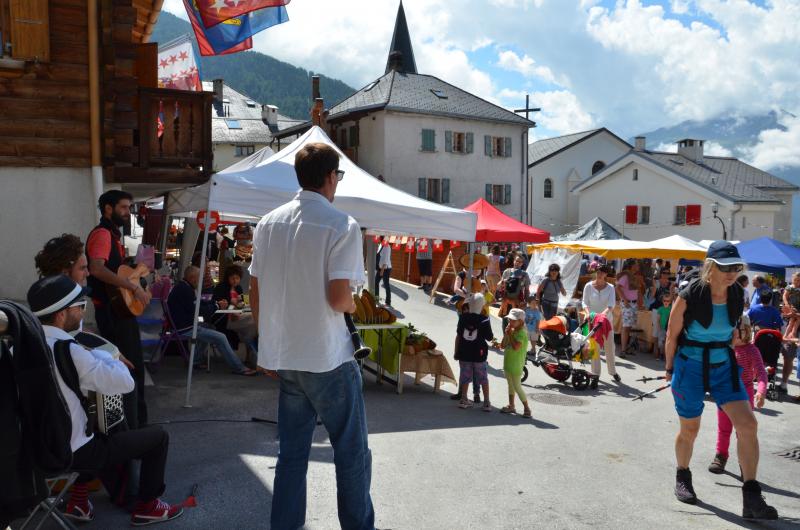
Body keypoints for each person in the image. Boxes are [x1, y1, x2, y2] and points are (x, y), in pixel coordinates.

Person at [249, 142, 374, 529]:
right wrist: (356, 306)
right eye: (338, 175)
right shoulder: (341, 224)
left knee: (291, 456)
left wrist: (267, 344)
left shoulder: (268, 223)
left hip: (285, 355)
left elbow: (256, 290)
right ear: (330, 177)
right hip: (327, 356)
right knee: (351, 453)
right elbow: (339, 298)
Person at [27, 275, 183, 525]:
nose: (82, 313)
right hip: (71, 453)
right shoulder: (73, 353)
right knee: (156, 437)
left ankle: (78, 501)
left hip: (33, 451)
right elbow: (126, 383)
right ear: (61, 315)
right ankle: (147, 506)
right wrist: (111, 356)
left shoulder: (18, 349)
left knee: (93, 426)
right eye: (80, 307)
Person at [664, 241, 777, 519]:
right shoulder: (690, 294)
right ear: (710, 267)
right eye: (725, 267)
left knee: (748, 424)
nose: (731, 273)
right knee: (690, 429)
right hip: (690, 365)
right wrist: (670, 368)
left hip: (724, 365)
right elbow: (671, 335)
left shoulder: (737, 293)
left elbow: (734, 331)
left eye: (736, 267)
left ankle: (751, 497)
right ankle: (683, 475)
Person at [86, 190, 150, 428]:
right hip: (112, 314)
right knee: (129, 368)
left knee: (131, 366)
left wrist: (136, 274)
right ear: (108, 209)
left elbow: (114, 269)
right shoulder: (102, 234)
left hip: (117, 311)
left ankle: (134, 422)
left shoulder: (112, 236)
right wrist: (134, 288)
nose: (128, 212)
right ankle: (133, 426)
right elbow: (97, 269)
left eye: (129, 207)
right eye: (123, 207)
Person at [167, 266, 256, 376]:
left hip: (184, 324)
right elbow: (200, 311)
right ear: (192, 278)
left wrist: (216, 305)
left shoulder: (184, 287)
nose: (201, 281)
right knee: (221, 337)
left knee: (209, 327)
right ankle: (239, 368)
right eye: (199, 278)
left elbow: (199, 306)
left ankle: (195, 360)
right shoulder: (185, 290)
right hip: (185, 327)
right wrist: (217, 305)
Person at [708, 315, 768, 475]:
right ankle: (721, 456)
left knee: (743, 431)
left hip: (745, 392)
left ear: (747, 331)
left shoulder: (752, 350)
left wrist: (761, 391)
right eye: (732, 331)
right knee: (723, 427)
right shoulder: (726, 348)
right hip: (725, 391)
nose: (735, 335)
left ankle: (745, 462)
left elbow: (761, 373)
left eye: (739, 331)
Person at [454, 293, 494, 411]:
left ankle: (463, 399)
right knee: (482, 377)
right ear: (481, 306)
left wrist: (456, 352)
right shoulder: (484, 319)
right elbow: (489, 337)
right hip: (479, 353)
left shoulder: (462, 317)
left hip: (464, 351)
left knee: (465, 376)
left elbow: (459, 335)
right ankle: (486, 402)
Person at [581, 265, 620, 383]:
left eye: (602, 272)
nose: (600, 274)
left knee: (609, 348)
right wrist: (588, 313)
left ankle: (612, 371)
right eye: (598, 271)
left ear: (606, 275)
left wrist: (602, 315)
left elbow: (611, 304)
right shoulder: (588, 286)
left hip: (606, 321)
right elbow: (584, 302)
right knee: (594, 347)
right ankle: (595, 374)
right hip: (592, 320)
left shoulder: (610, 287)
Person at [213, 264, 258, 362]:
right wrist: (233, 304)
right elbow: (221, 305)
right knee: (253, 319)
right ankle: (251, 350)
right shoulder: (221, 288)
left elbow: (240, 304)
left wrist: (240, 304)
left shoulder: (238, 288)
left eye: (237, 278)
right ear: (227, 278)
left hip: (237, 315)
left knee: (252, 324)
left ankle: (250, 348)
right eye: (233, 278)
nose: (235, 281)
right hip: (225, 318)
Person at [500, 308, 531, 418]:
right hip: (508, 363)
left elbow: (517, 347)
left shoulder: (522, 333)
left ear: (521, 321)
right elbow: (502, 345)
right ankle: (511, 405)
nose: (510, 322)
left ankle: (527, 408)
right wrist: (506, 334)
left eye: (513, 320)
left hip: (516, 364)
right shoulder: (512, 331)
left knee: (517, 386)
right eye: (509, 320)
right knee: (510, 385)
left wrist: (511, 335)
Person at [616, 259, 644, 356]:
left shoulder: (632, 276)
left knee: (629, 326)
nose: (638, 266)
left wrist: (640, 302)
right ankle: (623, 350)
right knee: (626, 326)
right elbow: (618, 287)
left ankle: (625, 348)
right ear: (631, 266)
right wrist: (625, 300)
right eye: (636, 265)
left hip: (633, 304)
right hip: (628, 303)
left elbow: (637, 291)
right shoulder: (625, 276)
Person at [781, 272, 800, 340]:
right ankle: (786, 335)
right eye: (795, 280)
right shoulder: (790, 287)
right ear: (792, 279)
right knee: (791, 321)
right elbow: (784, 296)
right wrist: (786, 304)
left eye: (798, 280)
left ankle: (793, 333)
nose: (797, 282)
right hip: (792, 307)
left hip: (798, 308)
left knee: (798, 320)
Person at [375, 236, 392, 306]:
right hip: (380, 268)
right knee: (376, 283)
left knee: (386, 284)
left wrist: (382, 271)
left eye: (379, 238)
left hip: (385, 269)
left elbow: (386, 260)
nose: (378, 239)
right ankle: (376, 299)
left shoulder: (387, 247)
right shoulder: (381, 245)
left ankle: (388, 301)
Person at [655, 293, 672, 361]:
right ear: (662, 301)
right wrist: (659, 327)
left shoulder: (671, 309)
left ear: (670, 302)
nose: (666, 302)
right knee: (661, 342)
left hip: (668, 328)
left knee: (667, 342)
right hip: (662, 328)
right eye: (664, 301)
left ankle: (666, 355)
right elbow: (658, 319)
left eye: (668, 301)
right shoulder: (660, 309)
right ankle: (661, 354)